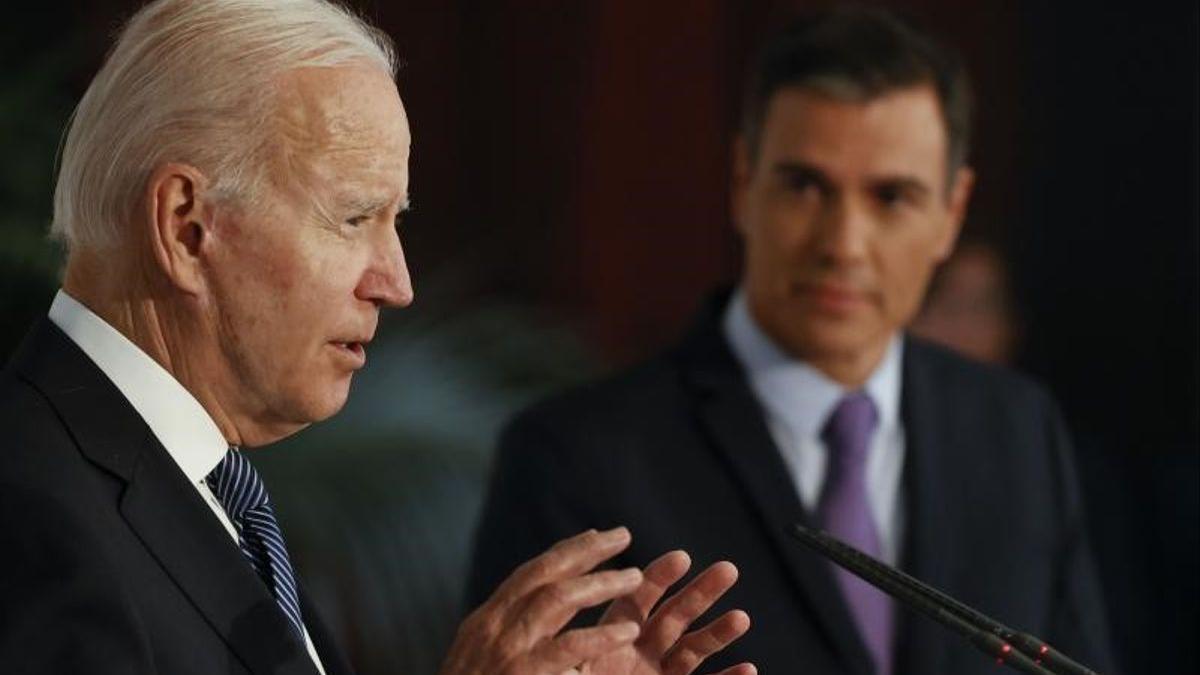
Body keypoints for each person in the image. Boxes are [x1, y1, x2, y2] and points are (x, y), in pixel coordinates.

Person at [0, 2, 755, 674]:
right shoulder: (31, 512)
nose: (396, 282)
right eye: (355, 217)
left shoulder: (204, 491)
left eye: (396, 221)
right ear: (186, 227)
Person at [468, 7, 1116, 675]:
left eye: (892, 196)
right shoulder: (573, 456)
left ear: (952, 212)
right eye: (805, 186)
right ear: (744, 182)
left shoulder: (1017, 427)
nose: (842, 244)